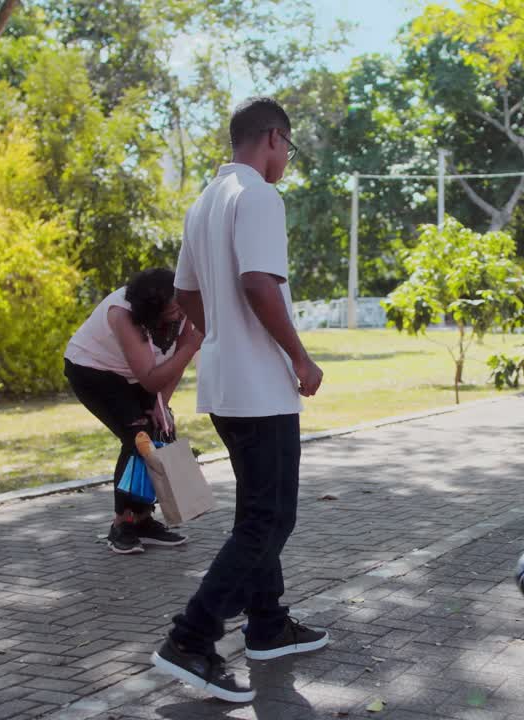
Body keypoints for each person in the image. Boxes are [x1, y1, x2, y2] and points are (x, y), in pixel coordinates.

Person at [151, 97, 327, 703]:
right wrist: (298, 357)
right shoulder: (258, 196)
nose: (285, 162)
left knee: (257, 512)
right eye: (288, 150)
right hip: (259, 386)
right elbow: (258, 282)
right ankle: (191, 638)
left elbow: (183, 293)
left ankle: (269, 626)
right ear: (273, 138)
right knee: (271, 518)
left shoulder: (205, 200)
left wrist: (221, 333)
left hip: (225, 384)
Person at [64, 268, 201, 554]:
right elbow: (153, 375)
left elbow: (171, 368)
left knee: (159, 432)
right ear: (150, 310)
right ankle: (122, 524)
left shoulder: (184, 301)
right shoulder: (122, 314)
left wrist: (161, 404)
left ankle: (144, 520)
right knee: (138, 438)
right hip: (93, 372)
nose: (179, 313)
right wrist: (189, 347)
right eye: (172, 310)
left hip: (135, 374)